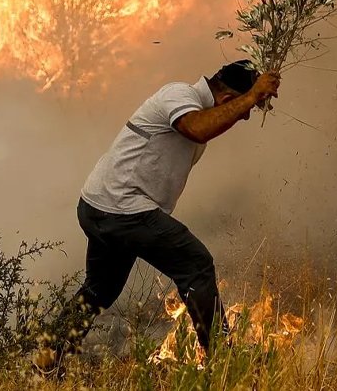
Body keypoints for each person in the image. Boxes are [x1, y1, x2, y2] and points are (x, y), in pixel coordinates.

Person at [37, 60, 280, 370]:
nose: (244, 116)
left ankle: (46, 360)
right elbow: (197, 128)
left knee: (100, 289)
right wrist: (252, 96)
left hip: (100, 205)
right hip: (123, 209)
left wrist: (253, 95)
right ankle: (223, 363)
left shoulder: (195, 105)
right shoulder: (178, 95)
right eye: (242, 109)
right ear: (228, 98)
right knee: (196, 264)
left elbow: (206, 125)